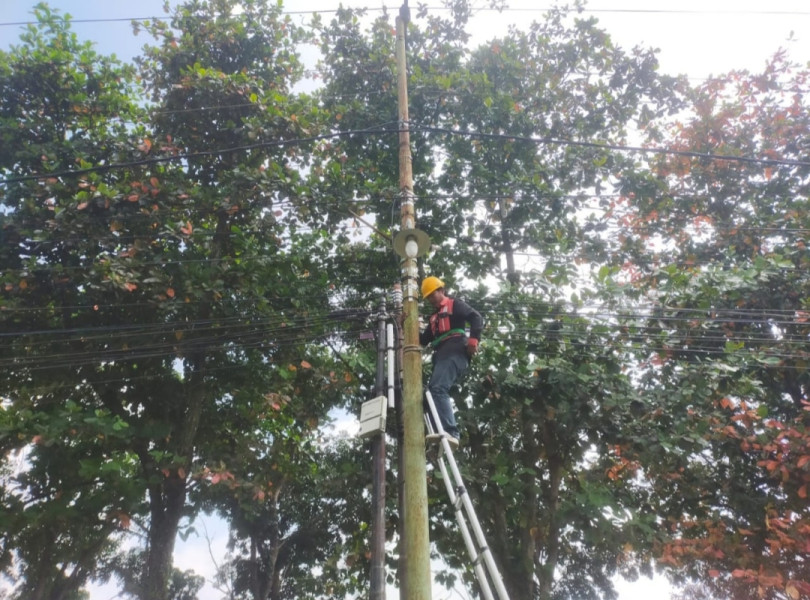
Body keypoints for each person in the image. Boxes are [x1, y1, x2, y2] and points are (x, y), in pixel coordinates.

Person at [418, 276, 483, 448]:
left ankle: (451, 432)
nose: (431, 299)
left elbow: (476, 318)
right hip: (441, 355)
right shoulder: (434, 318)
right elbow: (423, 340)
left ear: (442, 291)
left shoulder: (455, 304)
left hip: (455, 350)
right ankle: (438, 430)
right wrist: (405, 325)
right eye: (429, 297)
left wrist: (473, 340)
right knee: (429, 394)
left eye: (434, 294)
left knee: (438, 388)